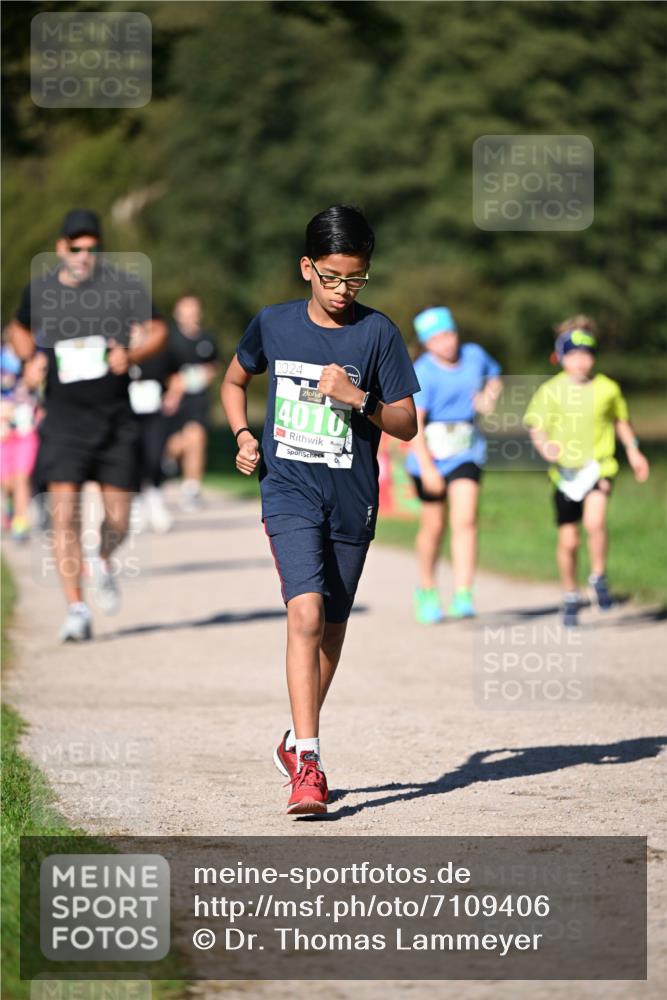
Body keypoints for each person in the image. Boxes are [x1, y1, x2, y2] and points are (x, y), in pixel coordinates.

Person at [221, 205, 419, 815]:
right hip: (289, 491)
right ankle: (309, 762)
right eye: (332, 277)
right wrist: (242, 435)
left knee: (330, 629)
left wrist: (359, 398)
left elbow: (407, 424)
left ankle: (292, 736)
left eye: (356, 279)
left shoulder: (378, 333)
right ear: (306, 268)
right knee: (304, 614)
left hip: (353, 500)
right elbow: (234, 382)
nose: (342, 291)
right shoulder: (274, 325)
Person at [8, 209, 166, 641]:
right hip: (63, 421)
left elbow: (158, 330)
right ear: (61, 248)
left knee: (120, 516)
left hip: (115, 419)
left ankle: (102, 559)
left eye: (91, 247)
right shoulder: (41, 290)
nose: (83, 254)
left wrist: (131, 356)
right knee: (65, 518)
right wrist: (30, 360)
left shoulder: (120, 287)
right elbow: (19, 330)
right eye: (75, 247)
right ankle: (77, 609)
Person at [523, 315, 650, 628]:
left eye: (587, 355)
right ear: (561, 356)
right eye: (574, 355)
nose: (581, 361)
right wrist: (545, 446)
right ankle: (569, 593)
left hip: (599, 467)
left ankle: (598, 575)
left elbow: (621, 422)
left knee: (595, 522)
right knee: (569, 542)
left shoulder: (608, 389)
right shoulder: (550, 391)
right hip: (565, 476)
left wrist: (633, 451)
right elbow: (536, 427)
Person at [405, 307, 502, 623]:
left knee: (466, 520)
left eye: (449, 334)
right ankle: (427, 590)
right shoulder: (423, 372)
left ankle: (463, 593)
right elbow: (414, 425)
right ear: (426, 343)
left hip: (465, 452)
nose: (446, 342)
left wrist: (488, 397)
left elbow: (495, 376)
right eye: (436, 338)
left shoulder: (474, 355)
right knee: (434, 527)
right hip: (429, 457)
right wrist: (428, 468)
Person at [163, 296, 220, 511]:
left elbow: (213, 365)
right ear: (177, 314)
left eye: (193, 310)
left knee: (196, 437)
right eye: (185, 310)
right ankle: (163, 464)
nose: (190, 315)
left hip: (198, 399)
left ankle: (191, 489)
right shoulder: (169, 339)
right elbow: (163, 371)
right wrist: (177, 386)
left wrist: (204, 375)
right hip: (172, 400)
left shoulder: (207, 338)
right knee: (177, 443)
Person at [127, 324, 177, 534]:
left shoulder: (158, 352)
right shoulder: (118, 352)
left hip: (154, 414)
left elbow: (175, 377)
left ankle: (155, 500)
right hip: (128, 415)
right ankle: (135, 506)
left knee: (155, 456)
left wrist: (173, 397)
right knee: (132, 459)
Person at [1, 348, 47, 541]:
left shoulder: (34, 357)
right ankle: (10, 505)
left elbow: (42, 391)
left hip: (27, 432)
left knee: (22, 478)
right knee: (6, 483)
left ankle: (21, 522)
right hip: (4, 431)